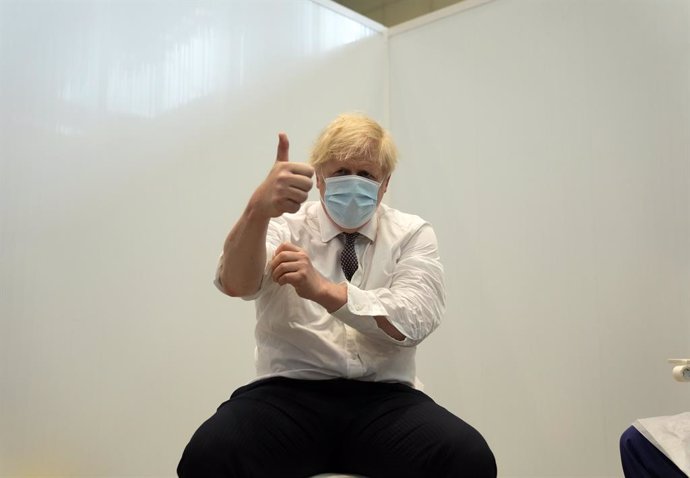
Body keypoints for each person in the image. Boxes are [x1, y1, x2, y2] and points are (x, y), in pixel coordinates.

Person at [177, 113, 497, 478]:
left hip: (385, 400)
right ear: (319, 178)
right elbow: (236, 284)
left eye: (366, 174)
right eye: (341, 171)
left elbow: (413, 321)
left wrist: (324, 291)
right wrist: (257, 210)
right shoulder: (284, 225)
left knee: (467, 458)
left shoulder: (411, 233)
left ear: (385, 184)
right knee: (210, 454)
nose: (353, 182)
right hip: (287, 395)